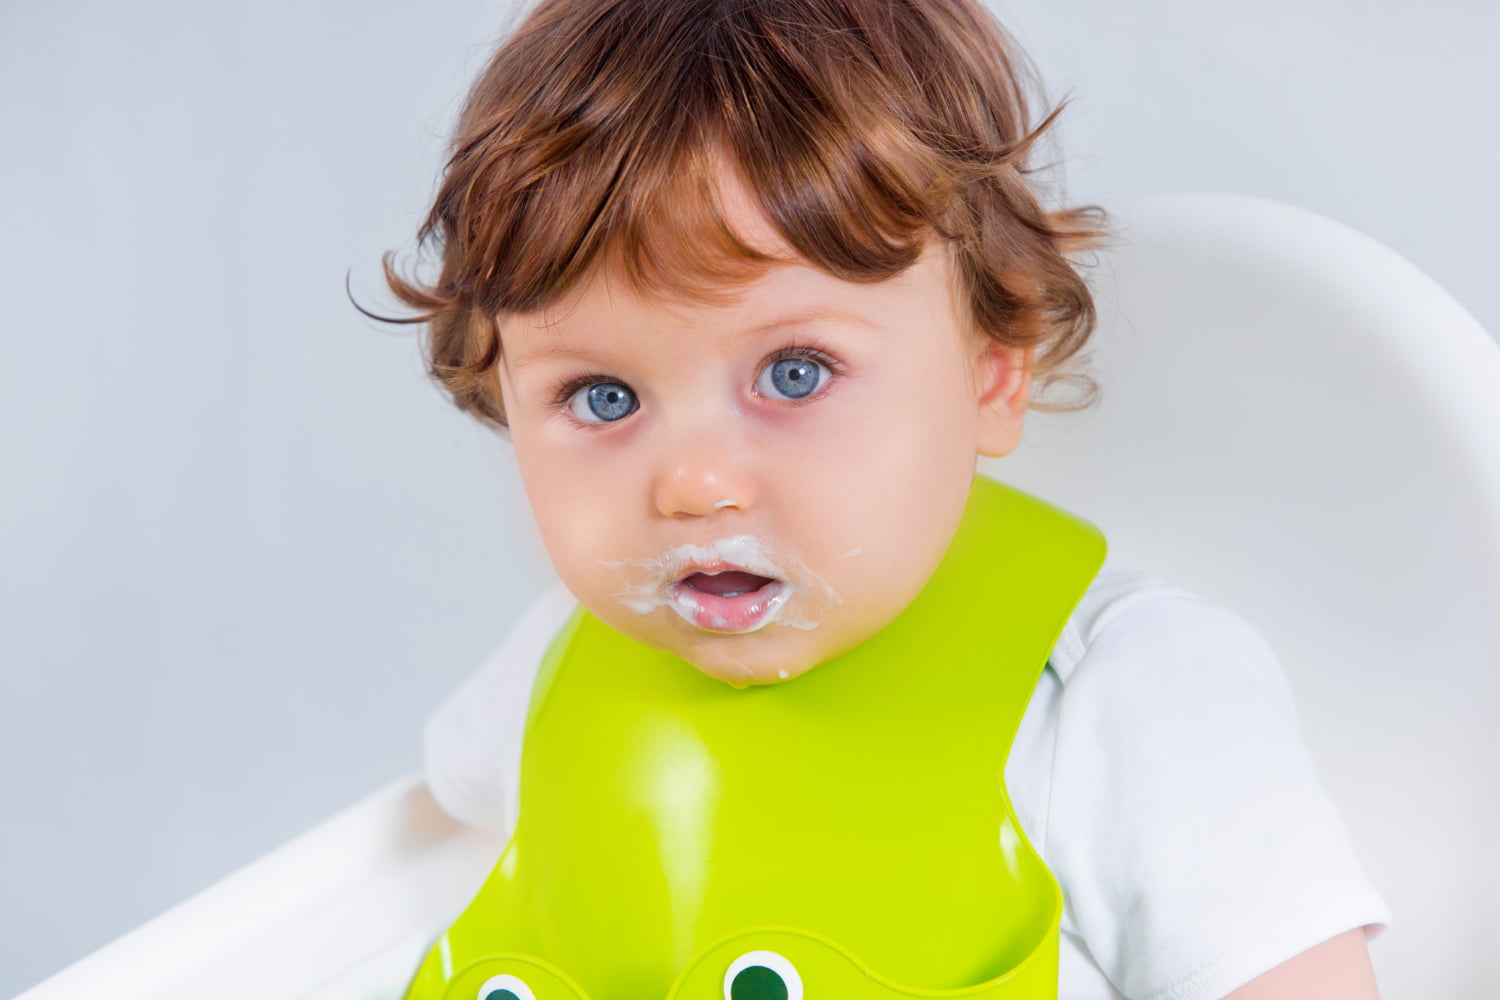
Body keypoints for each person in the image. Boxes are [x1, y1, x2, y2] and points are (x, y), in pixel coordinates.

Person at [376, 0, 1390, 996]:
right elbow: (396, 859)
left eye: (794, 373)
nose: (692, 486)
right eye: (603, 397)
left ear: (992, 371)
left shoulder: (1125, 699)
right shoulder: (552, 669)